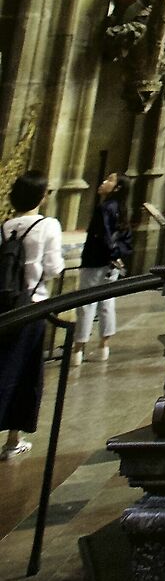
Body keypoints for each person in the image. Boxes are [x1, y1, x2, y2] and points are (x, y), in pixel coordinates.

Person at [0, 171, 65, 458]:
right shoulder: (47, 225)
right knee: (25, 374)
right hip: (33, 305)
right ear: (41, 196)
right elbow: (53, 269)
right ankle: (13, 440)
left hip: (4, 306)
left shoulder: (5, 226)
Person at [76, 171, 132, 362]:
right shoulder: (122, 208)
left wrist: (112, 253)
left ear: (117, 188)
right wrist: (118, 256)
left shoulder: (105, 208)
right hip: (112, 264)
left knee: (86, 302)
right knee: (107, 303)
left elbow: (104, 236)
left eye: (109, 179)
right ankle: (103, 346)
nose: (103, 182)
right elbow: (126, 239)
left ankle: (78, 348)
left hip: (96, 261)